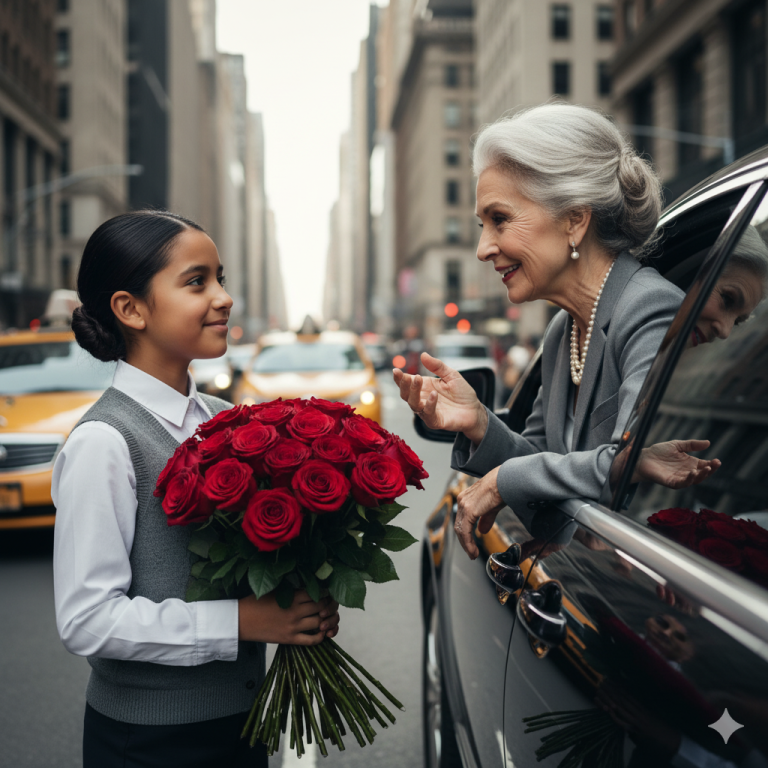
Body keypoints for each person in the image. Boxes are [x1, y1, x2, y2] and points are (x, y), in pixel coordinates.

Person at [52, 211, 340, 768]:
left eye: (221, 278)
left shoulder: (226, 420)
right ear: (130, 309)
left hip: (242, 723)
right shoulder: (104, 441)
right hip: (152, 744)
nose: (223, 297)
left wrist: (297, 603)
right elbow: (86, 619)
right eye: (196, 281)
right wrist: (242, 621)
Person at [394, 103, 685, 558]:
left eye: (500, 219)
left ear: (574, 218)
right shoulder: (562, 331)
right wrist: (478, 422)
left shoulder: (650, 308)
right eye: (481, 225)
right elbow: (541, 462)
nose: (483, 248)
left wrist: (502, 481)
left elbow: (628, 467)